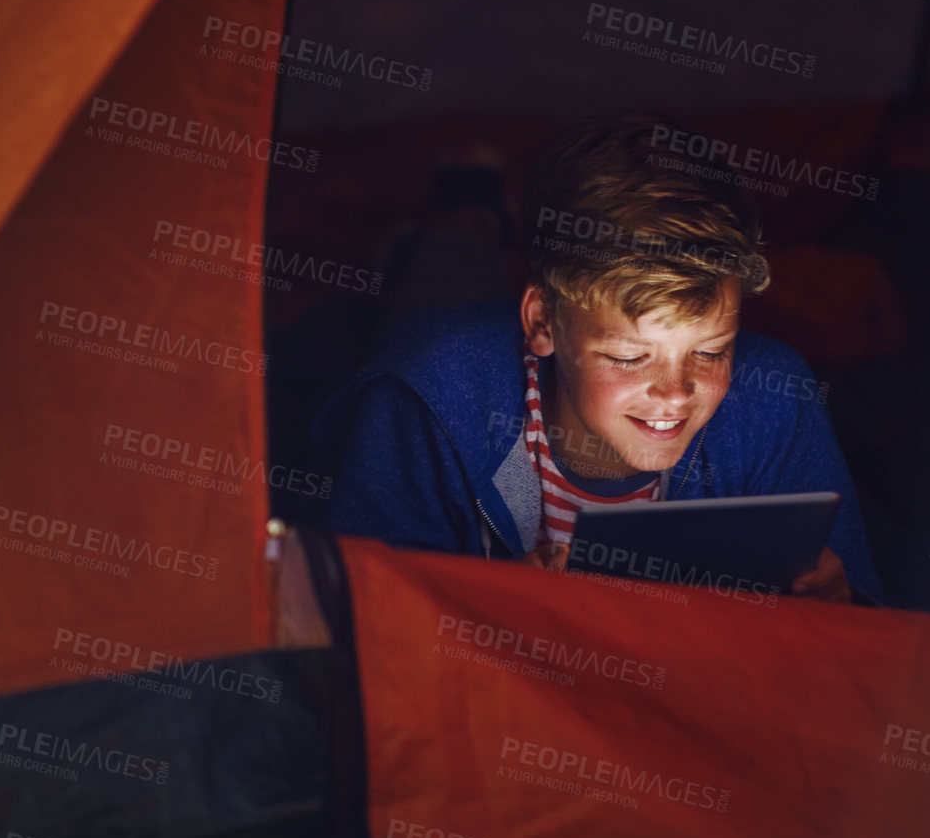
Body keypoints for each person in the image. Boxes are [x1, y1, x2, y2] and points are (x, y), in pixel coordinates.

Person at [311, 113, 880, 603]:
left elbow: (859, 619)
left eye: (709, 351)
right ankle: (461, 221)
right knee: (440, 283)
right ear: (543, 323)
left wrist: (838, 600)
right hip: (453, 339)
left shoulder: (776, 398)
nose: (676, 392)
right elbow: (361, 610)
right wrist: (492, 606)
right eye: (630, 357)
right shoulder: (426, 388)